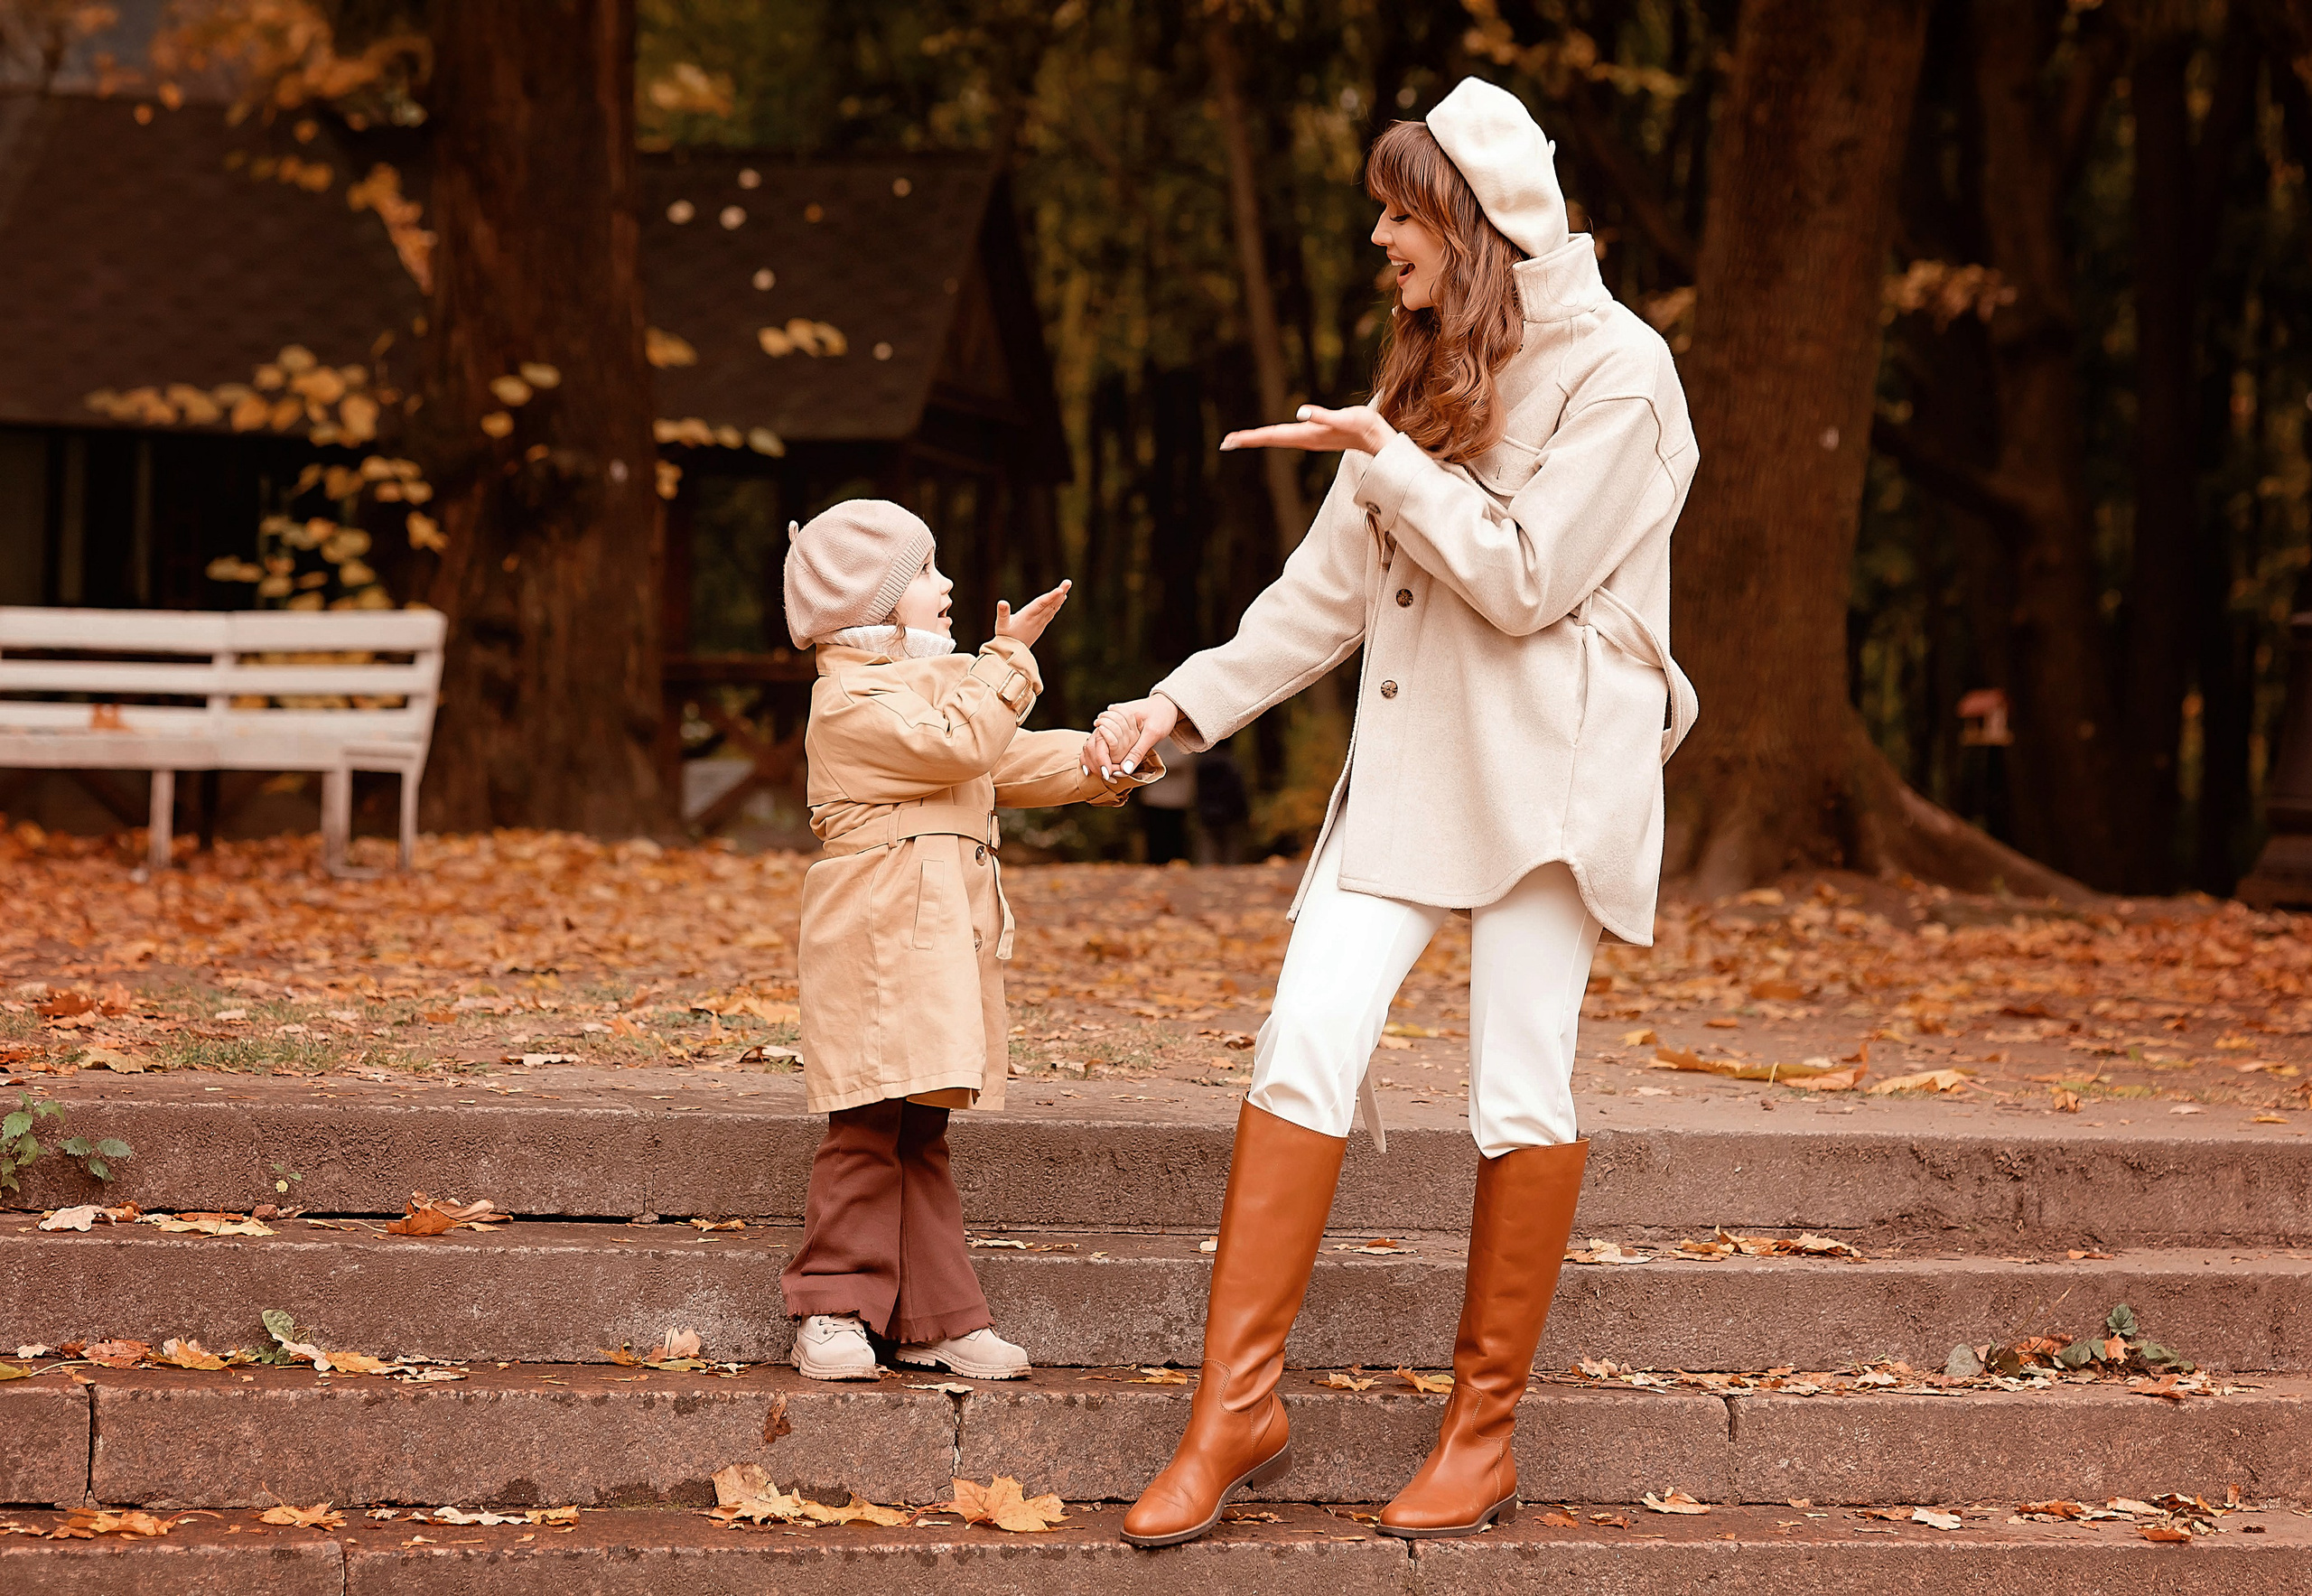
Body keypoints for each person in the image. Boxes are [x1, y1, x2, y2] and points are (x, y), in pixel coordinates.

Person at [1085, 79, 1699, 1545]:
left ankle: (1479, 1439)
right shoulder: (1427, 366)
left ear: (1476, 225)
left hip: (1551, 782)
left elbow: (1531, 573)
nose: (1378, 239)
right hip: (1417, 772)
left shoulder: (1626, 372)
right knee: (1304, 1035)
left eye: (1402, 214)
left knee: (1519, 1088)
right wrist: (1177, 707)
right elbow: (1329, 593)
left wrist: (1389, 459)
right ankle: (1234, 1413)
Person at [778, 499, 1157, 1382]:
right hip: (876, 941)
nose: (944, 585)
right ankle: (831, 1307)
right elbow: (960, 745)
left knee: (920, 1130)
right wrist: (1012, 660)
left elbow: (999, 760)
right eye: (922, 572)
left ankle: (937, 1318)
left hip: (935, 944)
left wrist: (1104, 757)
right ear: (865, 602)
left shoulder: (934, 693)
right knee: (868, 1124)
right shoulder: (848, 701)